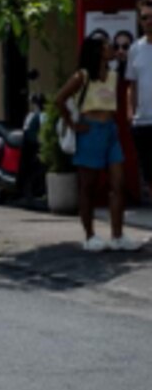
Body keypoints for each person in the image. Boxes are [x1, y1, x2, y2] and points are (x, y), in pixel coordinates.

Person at [56, 37, 142, 251]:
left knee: (118, 184)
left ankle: (117, 235)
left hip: (110, 130)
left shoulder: (113, 75)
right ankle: (90, 235)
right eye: (107, 46)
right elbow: (59, 99)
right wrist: (72, 124)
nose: (112, 49)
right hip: (90, 131)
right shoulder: (82, 76)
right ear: (97, 51)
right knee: (88, 187)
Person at [128, 0, 152, 205]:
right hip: (142, 122)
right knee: (149, 176)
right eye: (144, 17)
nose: (148, 22)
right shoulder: (135, 49)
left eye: (151, 17)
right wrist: (130, 112)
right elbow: (132, 84)